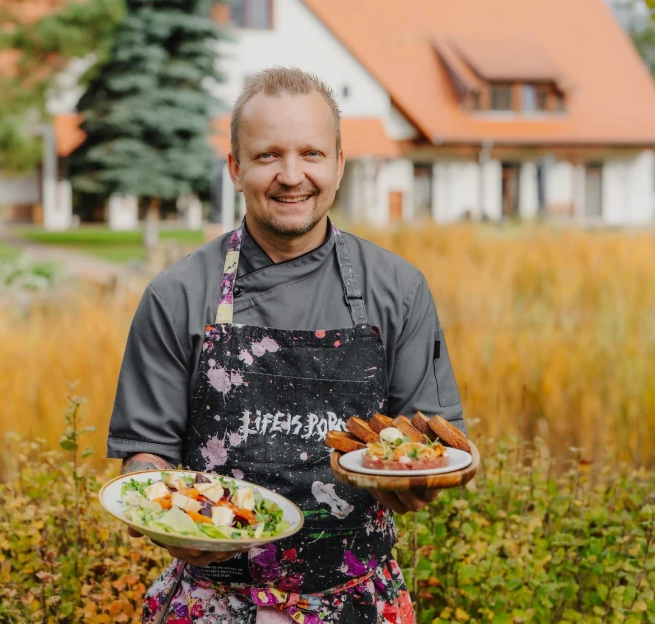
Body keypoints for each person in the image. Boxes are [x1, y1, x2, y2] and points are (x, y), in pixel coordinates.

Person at [106, 66, 467, 624]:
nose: (292, 175)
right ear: (235, 167)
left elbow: (434, 441)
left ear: (340, 166)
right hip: (214, 601)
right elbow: (145, 457)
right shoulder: (177, 295)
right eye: (268, 155)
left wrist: (419, 484)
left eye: (312, 154)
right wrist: (158, 515)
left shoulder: (398, 288)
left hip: (358, 601)